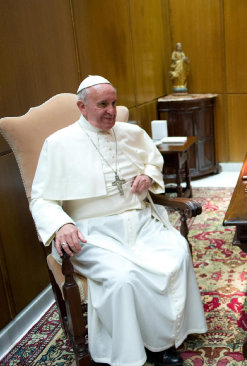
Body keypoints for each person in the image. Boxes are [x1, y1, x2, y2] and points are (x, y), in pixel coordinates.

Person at [30, 75, 207, 366]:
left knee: (174, 254)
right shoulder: (58, 144)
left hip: (140, 222)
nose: (111, 110)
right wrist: (62, 224)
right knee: (123, 278)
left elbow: (153, 160)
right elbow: (41, 199)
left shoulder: (131, 134)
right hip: (92, 232)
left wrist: (148, 175)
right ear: (82, 106)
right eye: (102, 104)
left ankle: (164, 341)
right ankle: (136, 349)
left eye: (113, 103)